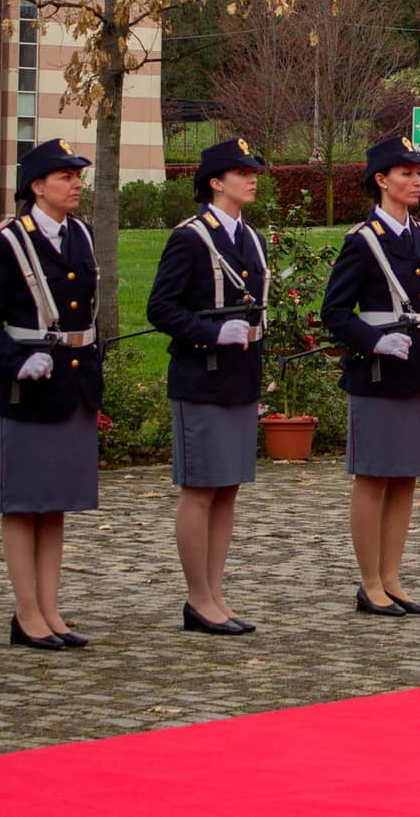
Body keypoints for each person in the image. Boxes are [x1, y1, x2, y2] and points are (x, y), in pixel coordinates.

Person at [0, 138, 103, 651]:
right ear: (37, 186)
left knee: (54, 504)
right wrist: (17, 359)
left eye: (77, 176)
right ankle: (25, 612)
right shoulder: (8, 241)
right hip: (27, 388)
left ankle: (51, 609)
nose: (75, 185)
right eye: (65, 176)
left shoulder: (81, 235)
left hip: (73, 384)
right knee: (23, 502)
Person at [146, 137, 271, 637]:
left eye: (253, 172)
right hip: (202, 377)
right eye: (242, 172)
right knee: (200, 489)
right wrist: (211, 333)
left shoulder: (251, 239)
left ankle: (215, 593)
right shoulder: (191, 238)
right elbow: (160, 308)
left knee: (227, 489)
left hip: (240, 376)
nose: (251, 179)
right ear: (216, 183)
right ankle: (197, 598)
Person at [319, 137, 420, 618]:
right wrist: (373, 341)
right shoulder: (363, 240)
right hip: (376, 372)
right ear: (381, 180)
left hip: (417, 369)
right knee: (373, 477)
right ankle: (369, 582)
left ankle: (392, 578)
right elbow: (334, 312)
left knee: (406, 478)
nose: (416, 180)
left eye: (417, 172)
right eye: (405, 173)